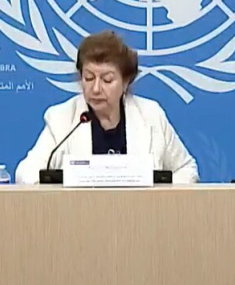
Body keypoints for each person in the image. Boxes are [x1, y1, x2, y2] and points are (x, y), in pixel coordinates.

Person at [14, 30, 198, 184]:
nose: (96, 89)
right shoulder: (62, 119)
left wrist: (158, 197)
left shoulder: (150, 115)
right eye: (89, 78)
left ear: (125, 82)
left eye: (107, 80)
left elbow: (187, 169)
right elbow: (25, 173)